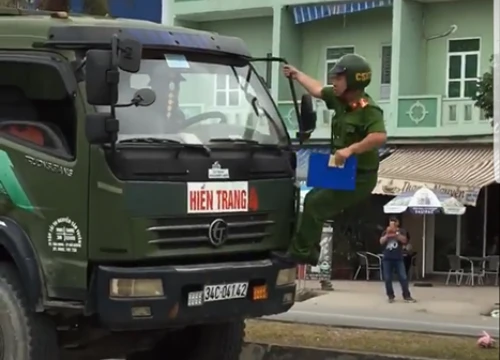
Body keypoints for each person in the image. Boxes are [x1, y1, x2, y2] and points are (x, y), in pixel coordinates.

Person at [273, 54, 387, 265]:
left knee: (316, 204)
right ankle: (310, 248)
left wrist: (351, 149)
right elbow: (317, 89)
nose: (333, 82)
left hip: (359, 176)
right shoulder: (339, 98)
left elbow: (379, 136)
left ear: (353, 81)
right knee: (308, 198)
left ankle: (301, 253)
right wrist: (297, 75)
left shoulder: (367, 109)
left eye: (338, 78)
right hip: (341, 168)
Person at [380, 217, 416, 303]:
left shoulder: (402, 231)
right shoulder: (386, 232)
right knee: (388, 278)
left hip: (398, 258)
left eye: (393, 223)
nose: (391, 225)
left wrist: (396, 234)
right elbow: (381, 241)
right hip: (387, 258)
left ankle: (407, 296)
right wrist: (387, 235)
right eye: (390, 223)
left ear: (397, 223)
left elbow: (404, 240)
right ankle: (390, 296)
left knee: (403, 277)